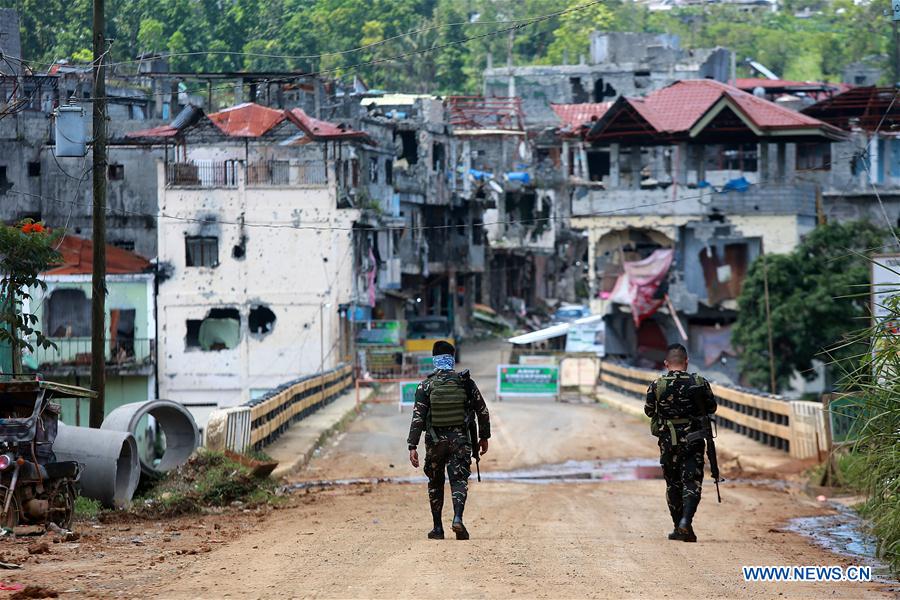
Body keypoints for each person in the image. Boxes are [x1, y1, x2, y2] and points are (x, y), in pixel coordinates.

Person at [407, 340, 490, 540]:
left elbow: (418, 418)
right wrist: (483, 437)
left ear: (434, 360)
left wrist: (412, 445)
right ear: (452, 359)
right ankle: (458, 518)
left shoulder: (425, 385)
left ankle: (437, 528)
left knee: (435, 482)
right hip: (461, 440)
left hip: (435, 442)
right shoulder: (466, 383)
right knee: (459, 480)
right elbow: (482, 411)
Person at [644, 343, 717, 543]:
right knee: (692, 482)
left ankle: (679, 526)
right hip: (693, 440)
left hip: (668, 441)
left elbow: (649, 411)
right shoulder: (699, 382)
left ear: (667, 363)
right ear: (686, 362)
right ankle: (686, 522)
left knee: (673, 484)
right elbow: (712, 407)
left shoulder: (657, 384)